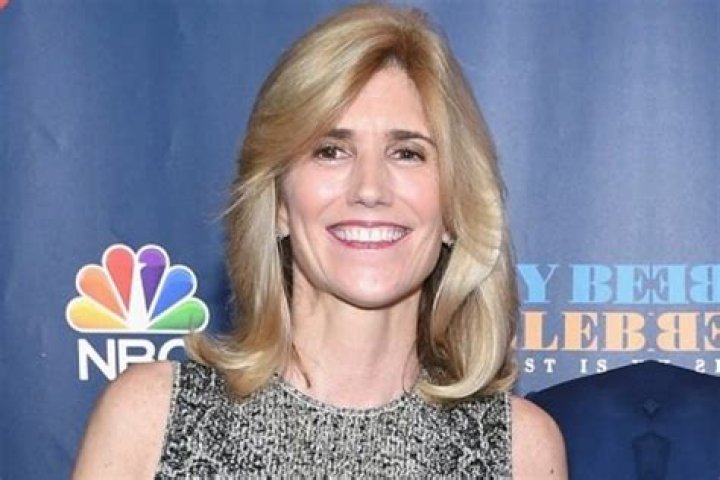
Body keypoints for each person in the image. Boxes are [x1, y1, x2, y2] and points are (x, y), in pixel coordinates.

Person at [73, 3, 566, 478]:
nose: (369, 189)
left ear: (455, 210)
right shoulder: (151, 421)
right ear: (279, 204)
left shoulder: (517, 448)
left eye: (408, 153)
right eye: (331, 151)